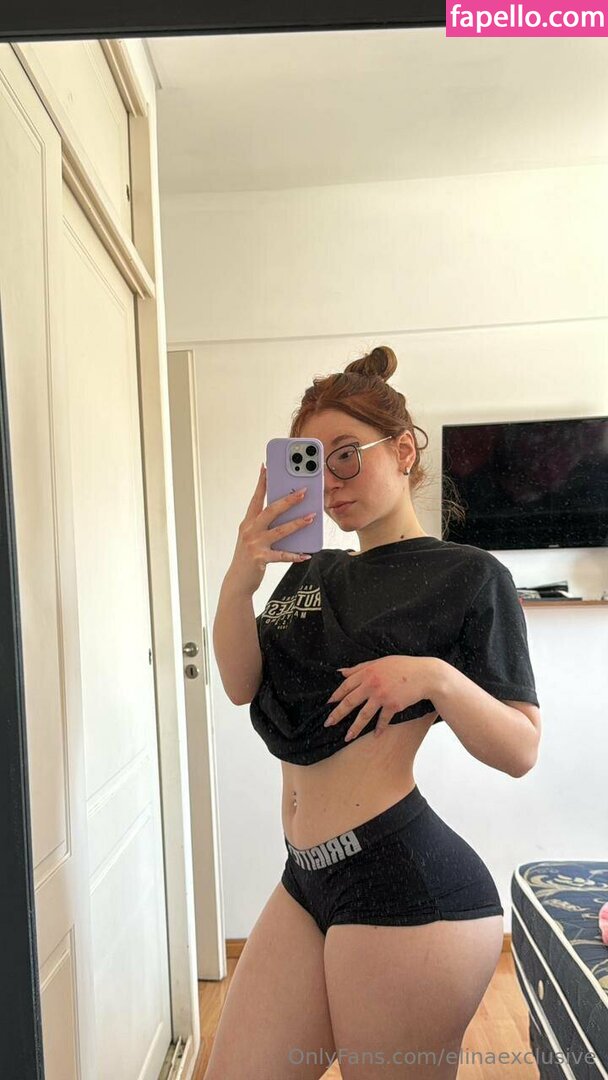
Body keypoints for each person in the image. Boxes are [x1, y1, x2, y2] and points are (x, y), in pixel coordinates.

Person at [209, 345, 542, 1080]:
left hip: (403, 881)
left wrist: (434, 677)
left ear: (402, 450)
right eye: (313, 463)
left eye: (347, 455)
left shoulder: (469, 574)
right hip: (306, 876)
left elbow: (521, 748)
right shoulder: (312, 570)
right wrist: (239, 578)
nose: (330, 481)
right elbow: (240, 683)